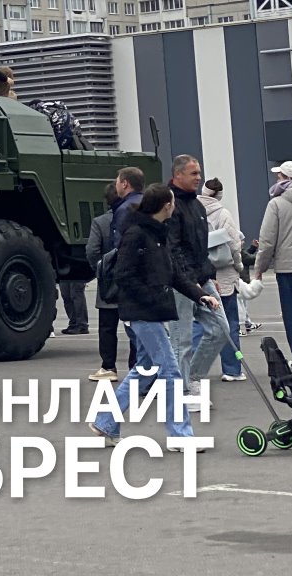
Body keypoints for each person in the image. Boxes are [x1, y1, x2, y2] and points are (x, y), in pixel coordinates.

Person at [91, 183, 222, 445]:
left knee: (146, 368)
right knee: (171, 372)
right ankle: (180, 434)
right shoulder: (137, 234)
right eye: (173, 202)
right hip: (142, 313)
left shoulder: (157, 233)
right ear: (166, 206)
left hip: (147, 311)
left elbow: (173, 274)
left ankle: (106, 422)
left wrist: (200, 295)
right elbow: (124, 275)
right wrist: (153, 298)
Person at [161, 154, 230, 385]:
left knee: (221, 329)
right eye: (194, 173)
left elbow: (201, 246)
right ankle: (182, 389)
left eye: (199, 173)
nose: (199, 178)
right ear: (177, 174)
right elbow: (173, 248)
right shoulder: (170, 205)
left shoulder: (197, 205)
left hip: (202, 279)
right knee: (182, 339)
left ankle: (192, 378)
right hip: (181, 283)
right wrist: (191, 281)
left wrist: (210, 276)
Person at [85, 188, 135, 381]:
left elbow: (92, 250)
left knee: (107, 326)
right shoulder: (134, 217)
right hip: (130, 279)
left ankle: (108, 367)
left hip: (108, 280)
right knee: (134, 326)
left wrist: (100, 269)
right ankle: (135, 366)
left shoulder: (100, 222)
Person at [200, 177, 246, 381]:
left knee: (197, 323)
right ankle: (232, 369)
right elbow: (234, 244)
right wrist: (239, 266)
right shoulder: (223, 213)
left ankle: (193, 369)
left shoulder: (192, 209)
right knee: (229, 322)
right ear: (219, 195)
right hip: (224, 273)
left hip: (200, 273)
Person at [255, 159, 292, 358]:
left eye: (279, 176)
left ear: (286, 179)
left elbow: (267, 241)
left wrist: (259, 268)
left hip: (287, 269)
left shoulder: (276, 204)